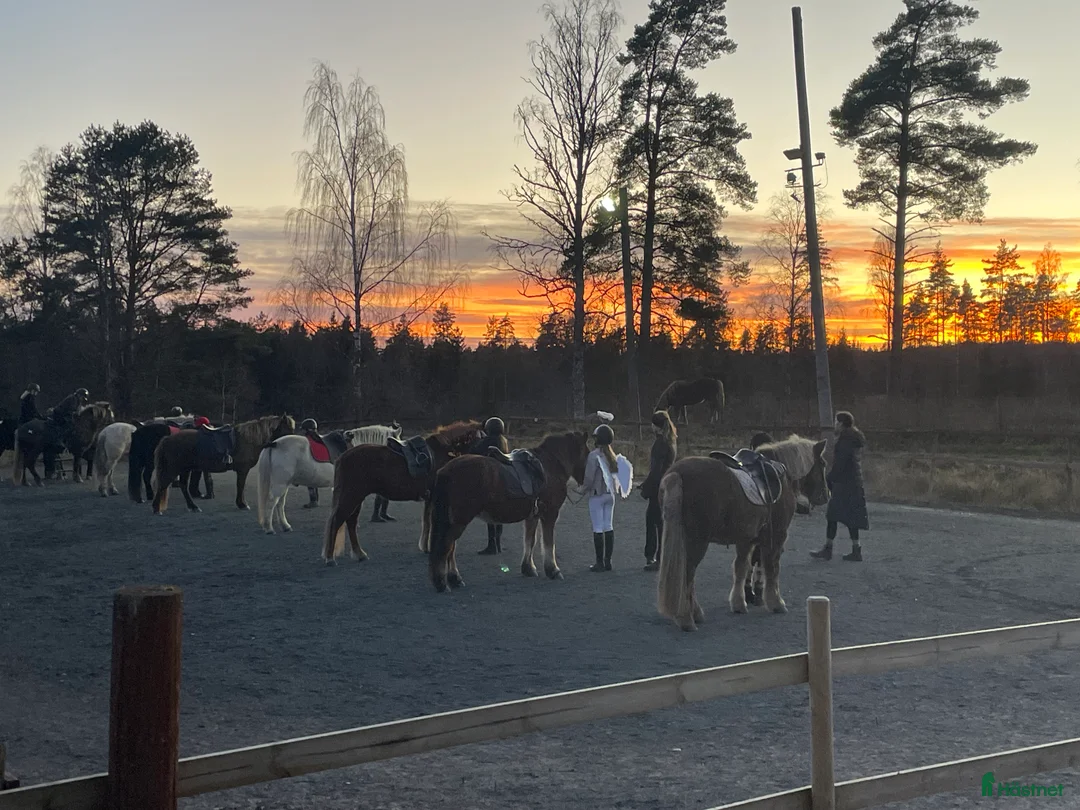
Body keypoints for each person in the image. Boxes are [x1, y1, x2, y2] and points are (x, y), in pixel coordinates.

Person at [811, 411, 869, 562]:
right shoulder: (853, 439)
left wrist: (829, 480)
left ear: (842, 424)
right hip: (854, 483)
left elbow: (840, 465)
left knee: (832, 516)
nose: (835, 425)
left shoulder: (845, 441)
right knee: (852, 517)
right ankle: (856, 549)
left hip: (844, 484)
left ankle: (828, 549)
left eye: (837, 422)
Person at [574, 424, 628, 572]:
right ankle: (608, 561)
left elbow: (589, 479)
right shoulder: (613, 456)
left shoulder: (594, 456)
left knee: (597, 527)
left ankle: (599, 563)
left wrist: (580, 490)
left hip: (597, 495)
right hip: (610, 495)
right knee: (608, 526)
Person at [640, 410, 677, 571]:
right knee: (656, 520)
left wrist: (647, 488)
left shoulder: (660, 444)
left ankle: (657, 557)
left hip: (658, 486)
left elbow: (656, 470)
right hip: (666, 484)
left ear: (655, 426)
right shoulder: (671, 441)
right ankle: (654, 554)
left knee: (656, 521)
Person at [469, 417, 509, 554]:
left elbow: (473, 451)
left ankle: (492, 545)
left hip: (490, 478)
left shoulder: (488, 440)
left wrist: (476, 441)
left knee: (491, 513)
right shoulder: (503, 440)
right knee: (498, 513)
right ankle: (497, 544)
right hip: (502, 478)